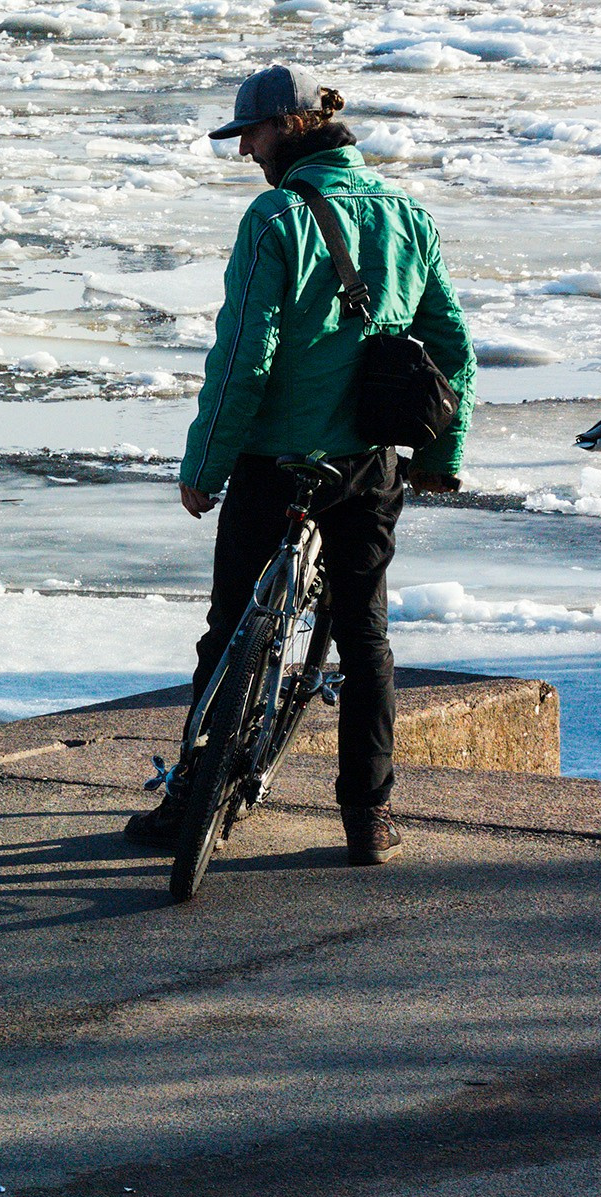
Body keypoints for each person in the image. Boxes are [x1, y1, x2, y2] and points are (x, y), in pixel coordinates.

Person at [124, 64, 475, 866]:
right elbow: (452, 347)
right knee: (365, 637)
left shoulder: (275, 217)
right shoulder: (408, 214)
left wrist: (204, 465)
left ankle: (189, 801)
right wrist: (440, 458)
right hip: (371, 465)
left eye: (249, 133)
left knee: (229, 630)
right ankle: (369, 818)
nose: (244, 149)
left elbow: (245, 355)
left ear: (287, 127)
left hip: (275, 463)